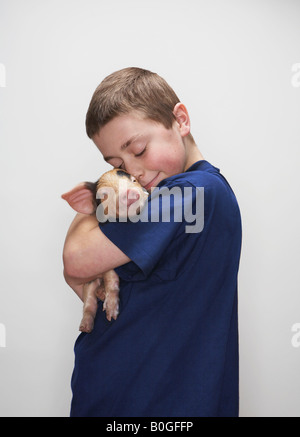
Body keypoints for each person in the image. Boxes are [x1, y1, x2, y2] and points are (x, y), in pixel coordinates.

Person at [62, 67, 242, 417]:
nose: (133, 174)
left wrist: (97, 199)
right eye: (116, 165)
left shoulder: (193, 194)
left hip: (156, 402)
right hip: (114, 395)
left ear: (181, 120)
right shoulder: (158, 200)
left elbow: (76, 260)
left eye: (139, 150)